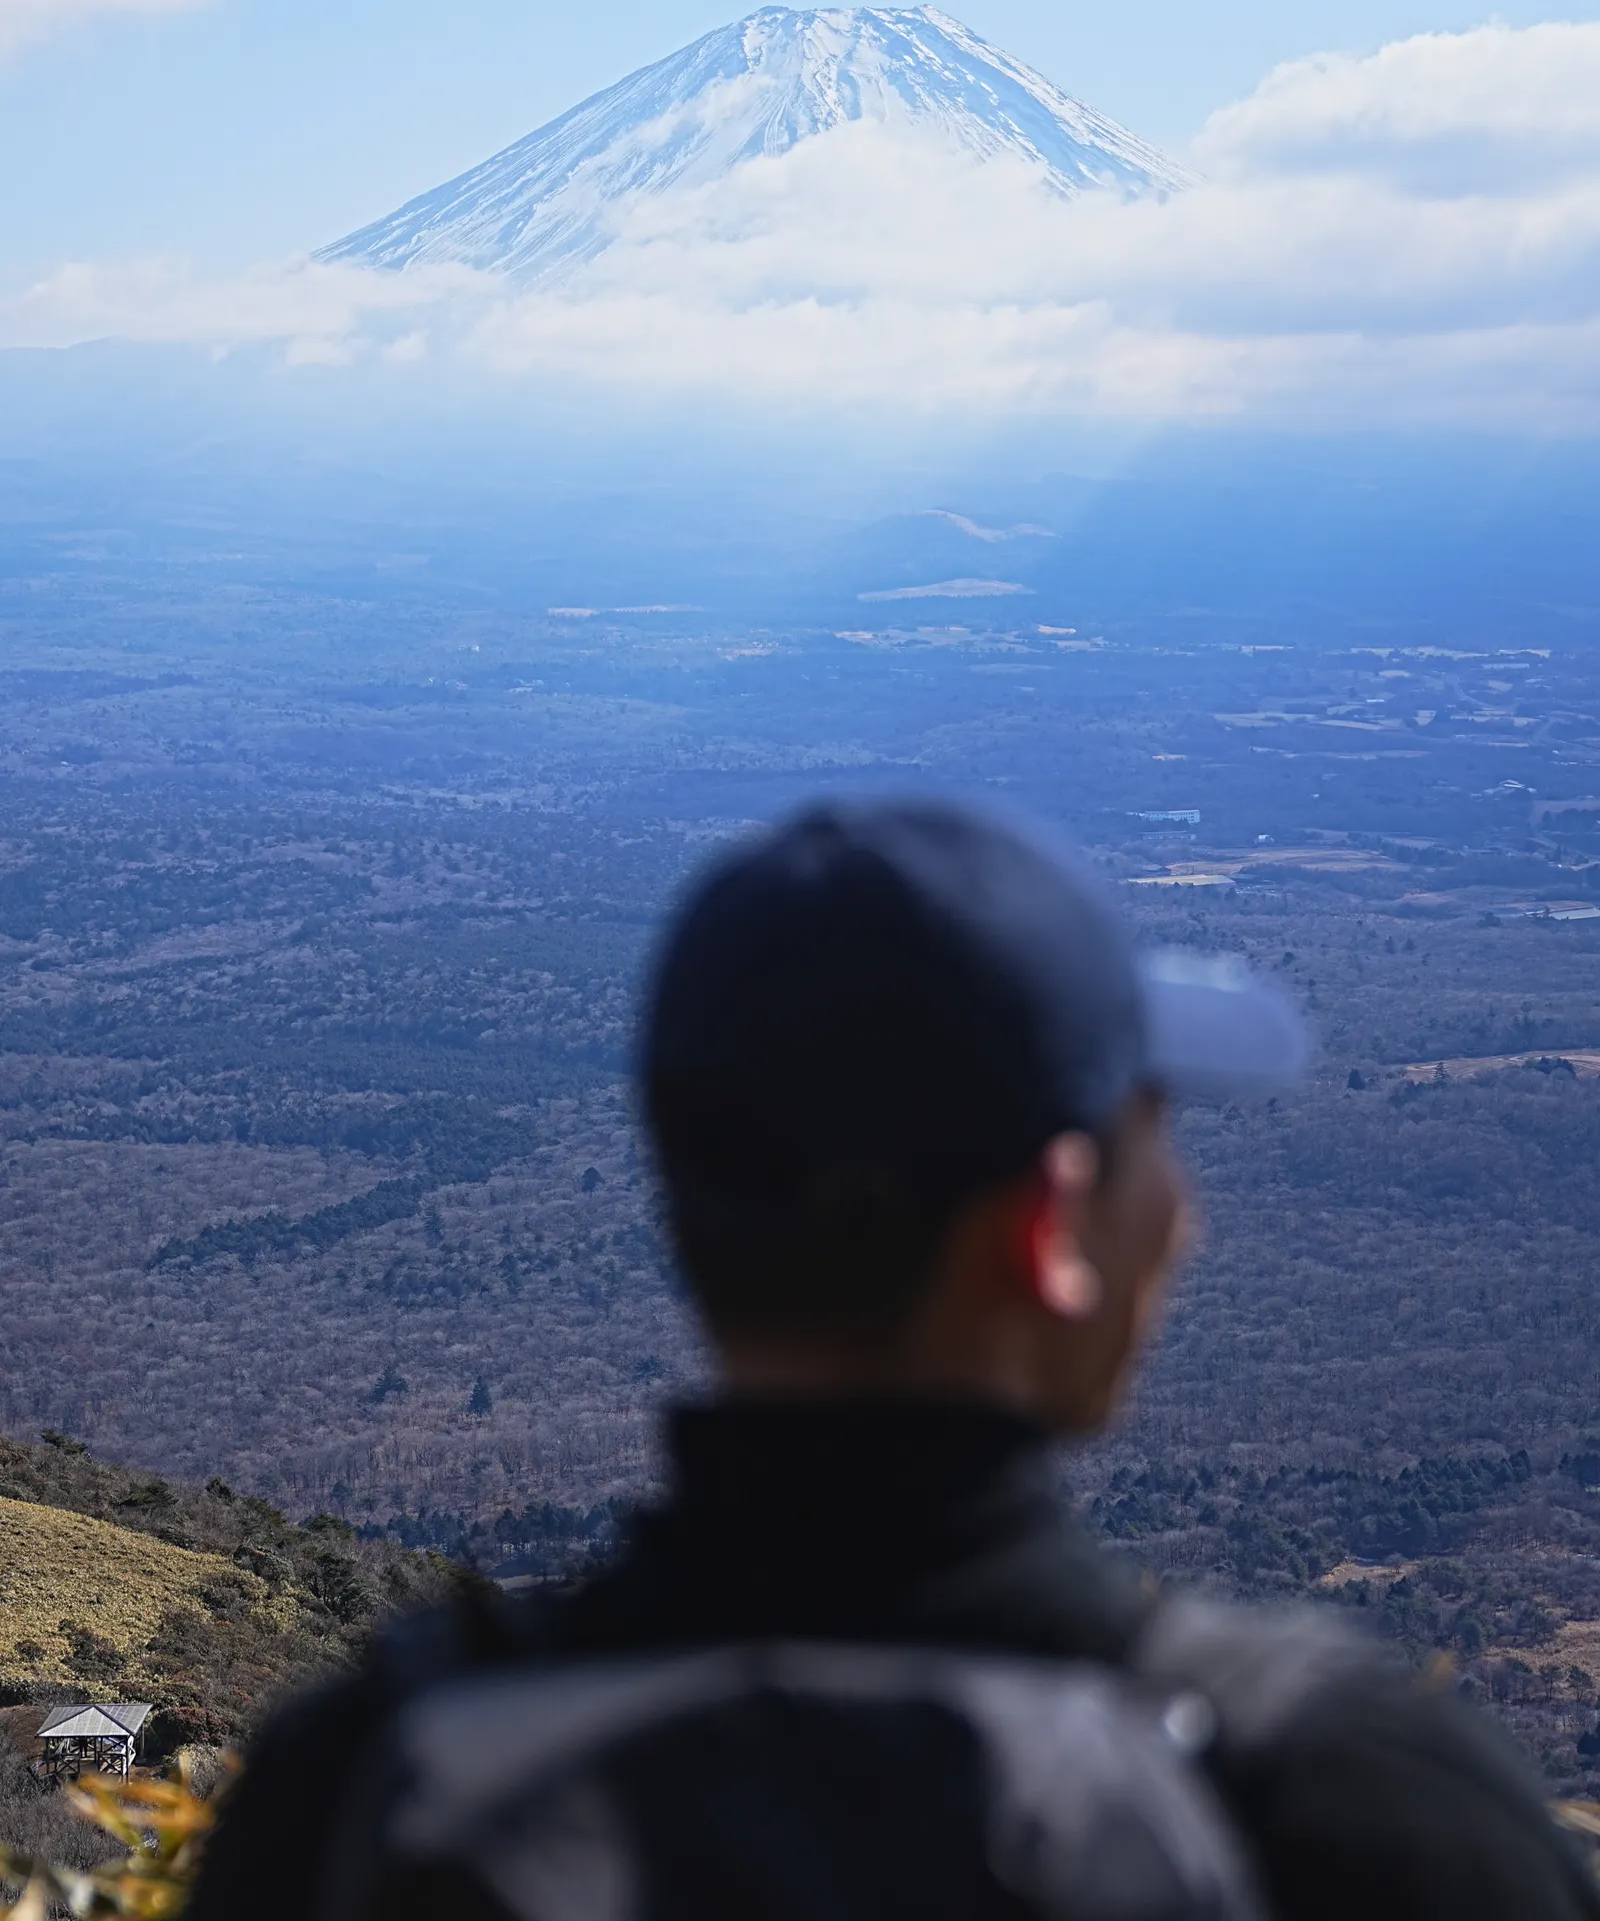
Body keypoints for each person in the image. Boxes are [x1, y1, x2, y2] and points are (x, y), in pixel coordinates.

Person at [191, 798, 1599, 1920]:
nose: (1185, 1212)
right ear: (1048, 1226)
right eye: (1154, 1133)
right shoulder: (1354, 1818)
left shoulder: (349, 1796)